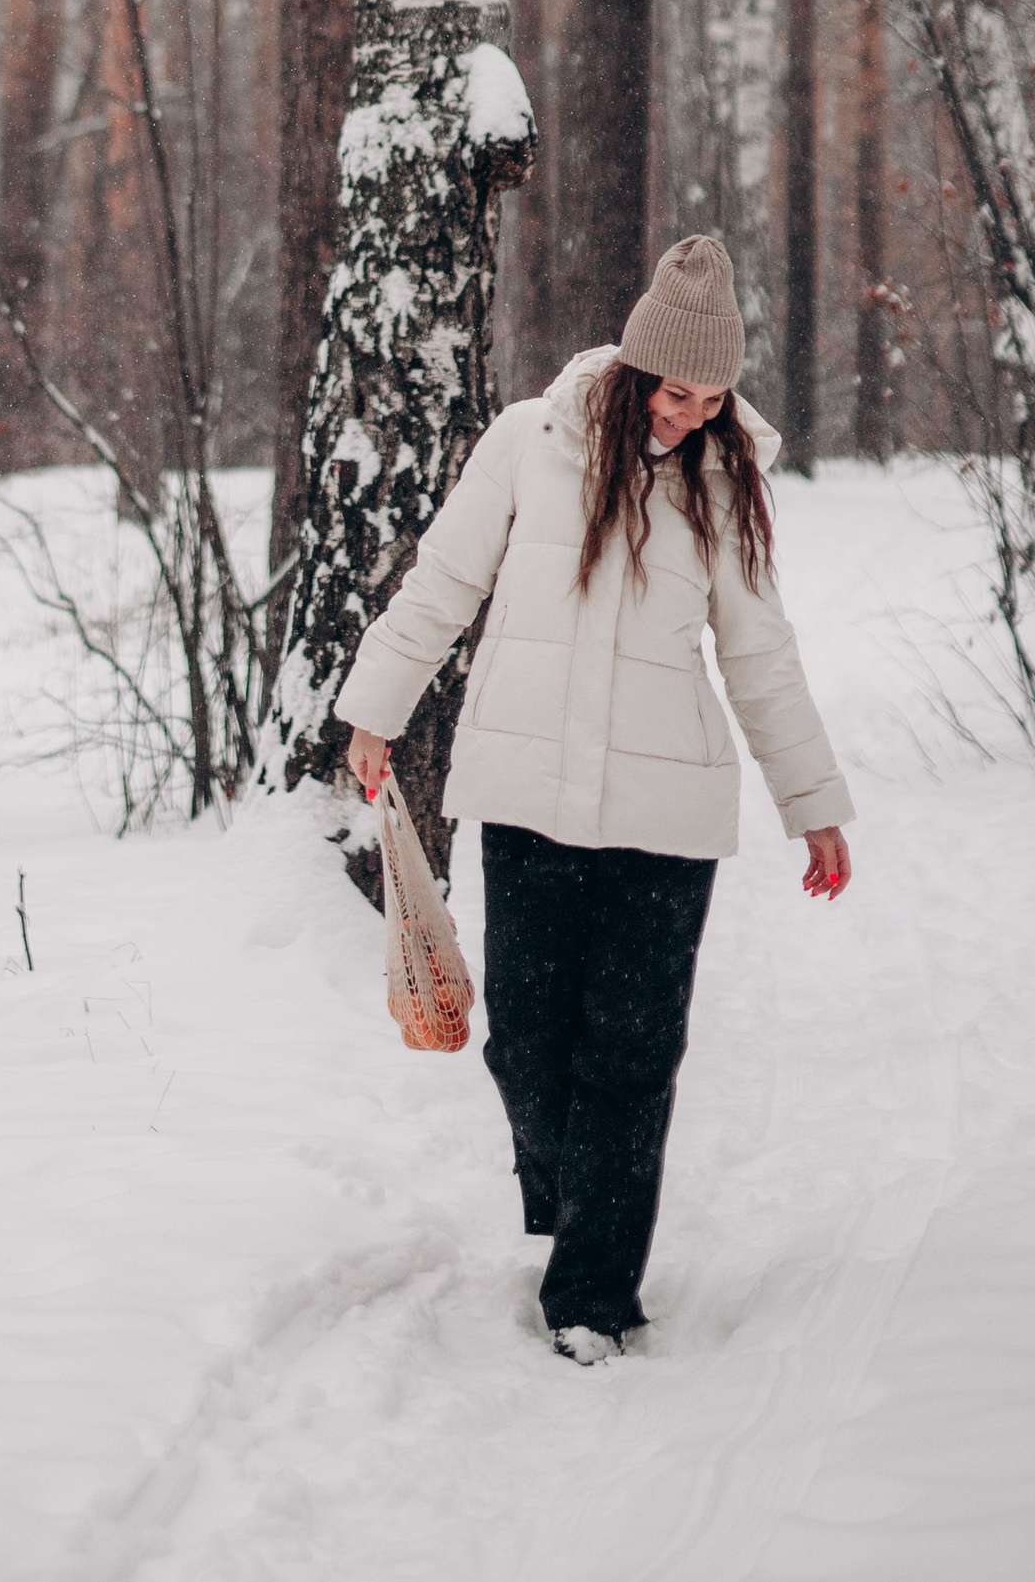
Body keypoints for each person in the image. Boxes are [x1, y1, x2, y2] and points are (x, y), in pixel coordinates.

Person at [335, 231, 853, 1366]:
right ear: (631, 369)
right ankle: (578, 1205)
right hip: (523, 799)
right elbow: (442, 582)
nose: (690, 413)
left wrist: (811, 801)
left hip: (666, 820)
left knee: (630, 1054)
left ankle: (593, 1293)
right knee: (525, 1041)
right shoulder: (530, 443)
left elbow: (759, 654)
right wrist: (374, 710)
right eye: (675, 390)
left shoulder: (727, 481)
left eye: (713, 396)